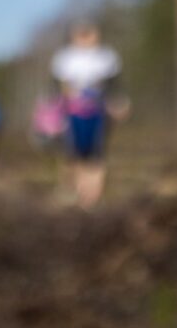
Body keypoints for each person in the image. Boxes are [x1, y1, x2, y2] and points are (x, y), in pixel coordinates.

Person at [50, 22, 128, 207]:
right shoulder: (64, 58)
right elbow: (56, 87)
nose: (85, 38)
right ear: (74, 36)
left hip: (98, 113)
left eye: (89, 33)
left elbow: (115, 85)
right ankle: (77, 190)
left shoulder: (106, 57)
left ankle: (91, 197)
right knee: (74, 155)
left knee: (96, 155)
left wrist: (119, 103)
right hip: (72, 113)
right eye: (81, 34)